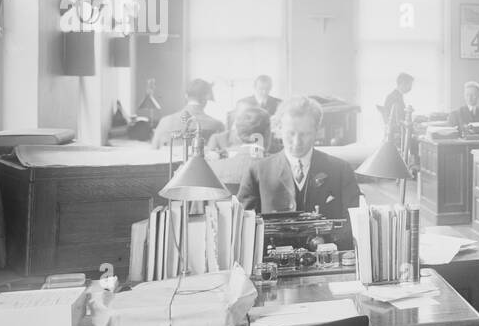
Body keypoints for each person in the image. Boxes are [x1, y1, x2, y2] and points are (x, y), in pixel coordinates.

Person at [238, 96, 360, 239]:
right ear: (278, 129)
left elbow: (354, 224)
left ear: (317, 131)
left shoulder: (341, 170)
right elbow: (244, 228)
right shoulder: (257, 172)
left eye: (305, 134)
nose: (297, 142)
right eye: (291, 133)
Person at [151, 79, 225, 149]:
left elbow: (154, 149)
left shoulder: (165, 122)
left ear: (186, 96)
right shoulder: (217, 125)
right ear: (206, 97)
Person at [383, 72, 414, 138]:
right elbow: (397, 120)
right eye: (410, 85)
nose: (410, 88)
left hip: (396, 131)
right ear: (403, 83)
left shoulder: (396, 95)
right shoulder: (394, 98)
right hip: (396, 133)